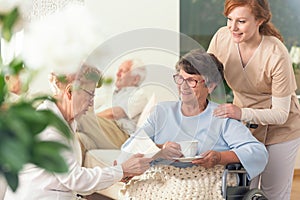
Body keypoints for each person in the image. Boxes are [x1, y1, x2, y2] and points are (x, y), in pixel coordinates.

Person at [4, 63, 152, 200]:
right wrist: (121, 170)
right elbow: (75, 180)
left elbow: (76, 181)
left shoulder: (67, 121)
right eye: (90, 94)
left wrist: (118, 172)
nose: (92, 102)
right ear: (70, 92)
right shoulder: (49, 126)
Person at [122, 49, 268, 181]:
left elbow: (258, 153)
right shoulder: (162, 111)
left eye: (191, 81)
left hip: (203, 184)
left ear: (210, 86)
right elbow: (130, 146)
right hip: (161, 181)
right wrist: (161, 149)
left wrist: (219, 157)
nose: (183, 86)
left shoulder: (221, 117)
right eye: (180, 78)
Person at [207, 0, 300, 199]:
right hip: (244, 126)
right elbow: (207, 76)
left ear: (260, 20)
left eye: (241, 21)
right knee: (241, 191)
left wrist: (240, 112)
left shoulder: (276, 53)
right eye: (229, 19)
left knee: (272, 194)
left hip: (281, 129)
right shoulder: (222, 38)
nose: (232, 27)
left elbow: (281, 114)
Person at [94, 59, 148, 147]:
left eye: (123, 71)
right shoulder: (114, 94)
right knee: (79, 138)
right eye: (118, 70)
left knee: (79, 120)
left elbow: (114, 114)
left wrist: (90, 119)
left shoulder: (139, 94)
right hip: (103, 128)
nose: (117, 74)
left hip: (119, 133)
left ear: (135, 79)